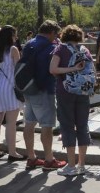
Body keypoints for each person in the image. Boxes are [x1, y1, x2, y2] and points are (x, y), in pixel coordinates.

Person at [22, 20, 67, 172]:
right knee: (46, 126)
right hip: (44, 90)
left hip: (28, 89)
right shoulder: (50, 47)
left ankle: (31, 158)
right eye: (56, 34)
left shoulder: (29, 44)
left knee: (29, 123)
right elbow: (54, 69)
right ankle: (49, 159)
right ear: (52, 33)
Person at [49, 24, 91, 176]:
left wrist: (71, 69)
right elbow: (90, 70)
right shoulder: (85, 50)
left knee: (67, 126)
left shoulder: (60, 49)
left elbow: (53, 69)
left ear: (64, 36)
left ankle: (71, 166)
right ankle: (82, 165)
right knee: (82, 125)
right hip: (82, 92)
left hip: (65, 91)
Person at [0, 25, 25, 162]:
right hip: (10, 88)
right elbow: (19, 71)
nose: (16, 38)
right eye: (15, 35)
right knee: (11, 123)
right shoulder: (13, 50)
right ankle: (12, 152)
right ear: (10, 37)